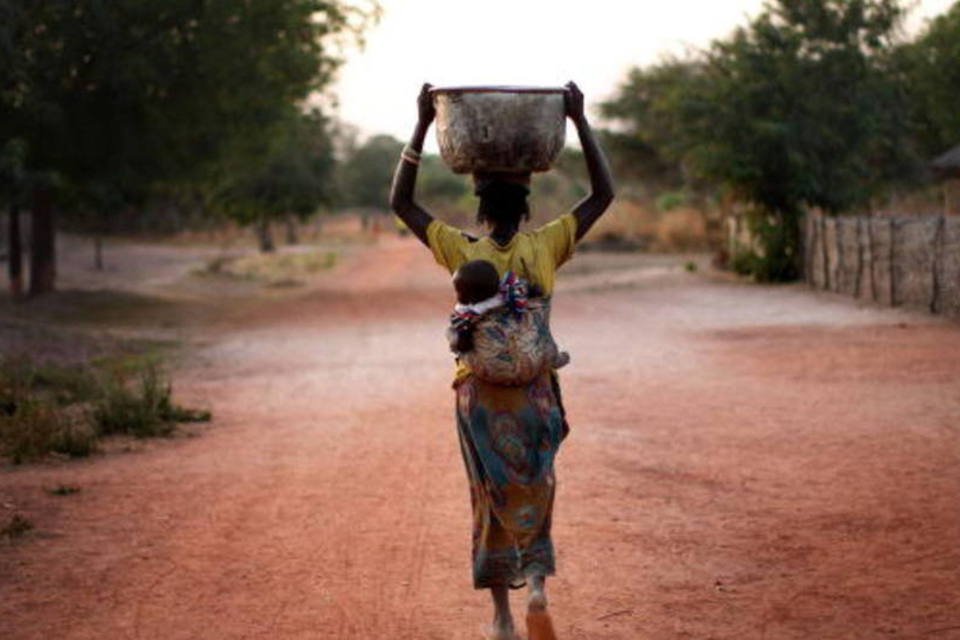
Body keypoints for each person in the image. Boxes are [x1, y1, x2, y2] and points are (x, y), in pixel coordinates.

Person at [389, 81, 614, 640]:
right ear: (526, 205)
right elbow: (603, 195)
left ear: (480, 204)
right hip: (534, 390)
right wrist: (580, 121)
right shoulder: (546, 245)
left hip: (480, 396)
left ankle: (502, 618)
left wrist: (420, 124)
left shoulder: (462, 249)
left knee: (489, 494)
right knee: (537, 483)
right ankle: (536, 580)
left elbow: (401, 204)